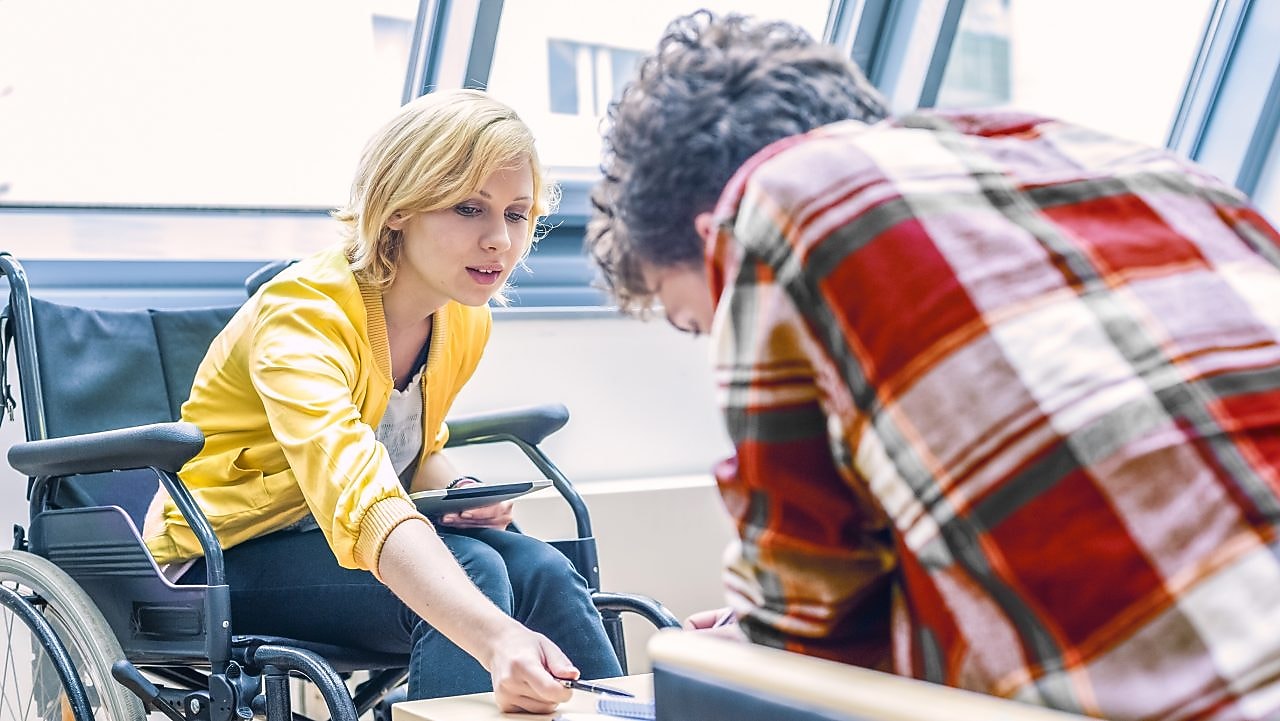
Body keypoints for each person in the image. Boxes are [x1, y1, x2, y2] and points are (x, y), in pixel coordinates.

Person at [587, 10, 1280, 721]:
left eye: (702, 323)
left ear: (714, 240)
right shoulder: (1157, 173)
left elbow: (799, 643)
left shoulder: (777, 207)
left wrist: (734, 646)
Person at [142, 88, 621, 714]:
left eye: (516, 214)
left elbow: (416, 448)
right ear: (398, 207)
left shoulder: (462, 319)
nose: (500, 240)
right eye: (470, 208)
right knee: (474, 576)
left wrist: (462, 492)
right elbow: (358, 493)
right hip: (217, 561)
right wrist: (497, 637)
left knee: (541, 568)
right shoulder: (304, 313)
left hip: (337, 546)